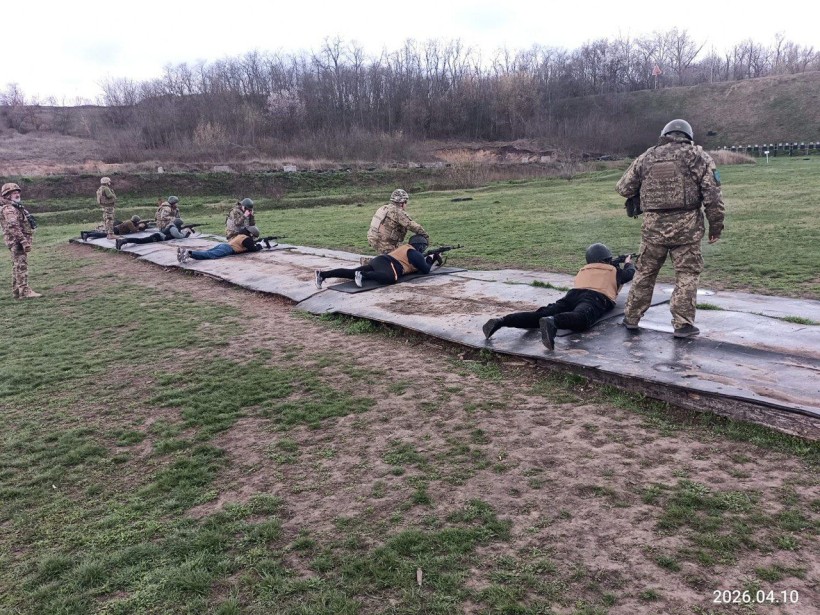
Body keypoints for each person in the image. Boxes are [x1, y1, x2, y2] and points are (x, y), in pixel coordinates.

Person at [616, 119, 725, 338]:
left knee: (645, 274)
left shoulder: (647, 157)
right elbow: (713, 197)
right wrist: (716, 226)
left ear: (665, 134)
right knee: (686, 275)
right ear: (688, 136)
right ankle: (683, 325)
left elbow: (623, 188)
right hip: (687, 231)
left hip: (653, 230)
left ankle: (631, 318)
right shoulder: (698, 157)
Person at [482, 243, 635, 350]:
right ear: (606, 260)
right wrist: (628, 263)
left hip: (573, 294)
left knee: (540, 314)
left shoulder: (584, 269)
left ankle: (502, 321)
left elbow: (602, 267)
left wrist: (616, 262)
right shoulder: (614, 271)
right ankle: (553, 322)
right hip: (596, 297)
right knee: (582, 318)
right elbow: (630, 274)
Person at [315, 234, 442, 289]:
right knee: (391, 278)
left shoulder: (407, 249)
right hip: (388, 263)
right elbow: (425, 270)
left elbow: (418, 265)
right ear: (420, 246)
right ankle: (363, 276)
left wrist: (432, 258)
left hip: (380, 261)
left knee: (352, 272)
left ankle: (323, 274)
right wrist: (432, 259)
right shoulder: (414, 252)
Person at [0, 182, 41, 298]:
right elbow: (13, 226)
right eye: (14, 193)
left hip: (17, 241)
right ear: (7, 195)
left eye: (17, 192)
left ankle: (17, 291)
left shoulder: (16, 207)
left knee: (17, 266)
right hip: (17, 242)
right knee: (21, 266)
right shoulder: (9, 209)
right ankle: (24, 291)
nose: (17, 194)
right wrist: (23, 241)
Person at [366, 189, 428, 255]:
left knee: (400, 249)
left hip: (373, 239)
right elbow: (412, 226)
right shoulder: (397, 212)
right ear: (402, 203)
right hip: (385, 244)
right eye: (406, 202)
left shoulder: (384, 208)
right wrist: (425, 237)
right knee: (403, 258)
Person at [178, 226, 264, 262]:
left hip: (223, 245)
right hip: (228, 249)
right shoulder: (246, 239)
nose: (253, 239)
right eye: (254, 237)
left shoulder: (241, 235)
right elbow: (252, 249)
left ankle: (186, 254)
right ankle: (189, 253)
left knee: (207, 253)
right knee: (210, 255)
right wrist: (259, 246)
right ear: (252, 234)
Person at [116, 218, 193, 250]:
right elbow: (179, 236)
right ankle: (123, 241)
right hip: (157, 237)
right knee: (140, 241)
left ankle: (122, 241)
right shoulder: (173, 228)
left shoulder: (173, 227)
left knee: (140, 241)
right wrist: (186, 232)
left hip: (158, 236)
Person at [81, 216, 153, 241]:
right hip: (116, 230)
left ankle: (87, 234)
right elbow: (134, 230)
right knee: (103, 234)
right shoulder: (130, 223)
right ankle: (87, 235)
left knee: (103, 234)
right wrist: (139, 226)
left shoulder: (130, 222)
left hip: (117, 230)